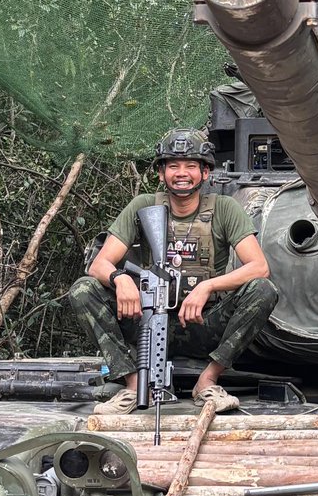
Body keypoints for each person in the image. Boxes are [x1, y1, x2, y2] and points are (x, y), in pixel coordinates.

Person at [70, 128, 278, 414]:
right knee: (83, 289)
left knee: (263, 290)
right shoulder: (143, 206)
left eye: (191, 166)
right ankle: (133, 385)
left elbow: (259, 267)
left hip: (202, 323)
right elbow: (99, 264)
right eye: (173, 166)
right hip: (147, 322)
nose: (182, 173)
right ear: (161, 173)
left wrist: (207, 287)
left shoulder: (224, 208)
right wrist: (120, 279)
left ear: (205, 173)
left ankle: (208, 381)